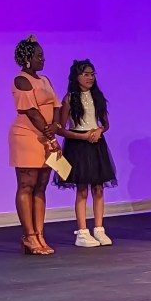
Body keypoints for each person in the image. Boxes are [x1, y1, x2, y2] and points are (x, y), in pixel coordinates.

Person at [53, 59, 118, 247]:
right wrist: (81, 136)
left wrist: (99, 130)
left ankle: (99, 229)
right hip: (78, 145)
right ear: (76, 77)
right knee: (82, 189)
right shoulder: (69, 98)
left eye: (92, 74)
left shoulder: (97, 97)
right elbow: (60, 129)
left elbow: (105, 124)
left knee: (98, 187)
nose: (90, 78)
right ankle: (82, 232)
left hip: (96, 143)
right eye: (86, 74)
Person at [9, 35, 62, 255]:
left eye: (43, 55)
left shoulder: (45, 80)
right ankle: (29, 236)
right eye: (39, 56)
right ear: (27, 58)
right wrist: (49, 134)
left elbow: (56, 105)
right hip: (27, 136)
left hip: (46, 136)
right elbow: (31, 111)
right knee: (26, 184)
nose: (43, 59)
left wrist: (55, 126)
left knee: (41, 185)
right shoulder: (21, 80)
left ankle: (39, 234)